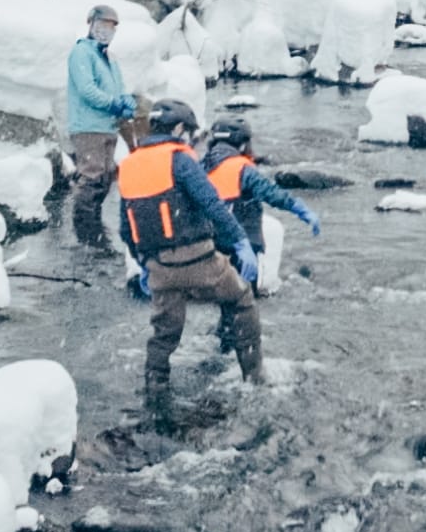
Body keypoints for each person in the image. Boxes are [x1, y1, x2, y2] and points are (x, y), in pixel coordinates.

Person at [117, 99, 262, 405]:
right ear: (180, 129)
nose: (192, 140)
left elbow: (126, 228)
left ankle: (155, 391)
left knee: (164, 333)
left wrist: (144, 264)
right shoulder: (181, 160)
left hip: (159, 269)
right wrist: (241, 242)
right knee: (241, 299)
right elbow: (212, 204)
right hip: (200, 260)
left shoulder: (129, 165)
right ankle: (254, 378)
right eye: (191, 133)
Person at [203, 117, 320, 315]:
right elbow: (271, 193)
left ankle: (221, 337)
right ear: (242, 144)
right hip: (242, 247)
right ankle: (234, 339)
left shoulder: (198, 167)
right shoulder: (242, 168)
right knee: (243, 307)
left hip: (208, 247)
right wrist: (301, 209)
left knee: (219, 303)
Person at [64, 4, 138, 249]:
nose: (106, 31)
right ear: (91, 24)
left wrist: (126, 100)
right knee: (92, 176)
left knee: (105, 178)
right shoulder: (82, 53)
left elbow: (118, 88)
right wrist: (114, 104)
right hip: (88, 127)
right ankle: (85, 233)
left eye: (111, 27)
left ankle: (93, 227)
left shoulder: (108, 56)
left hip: (107, 126)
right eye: (102, 25)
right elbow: (87, 90)